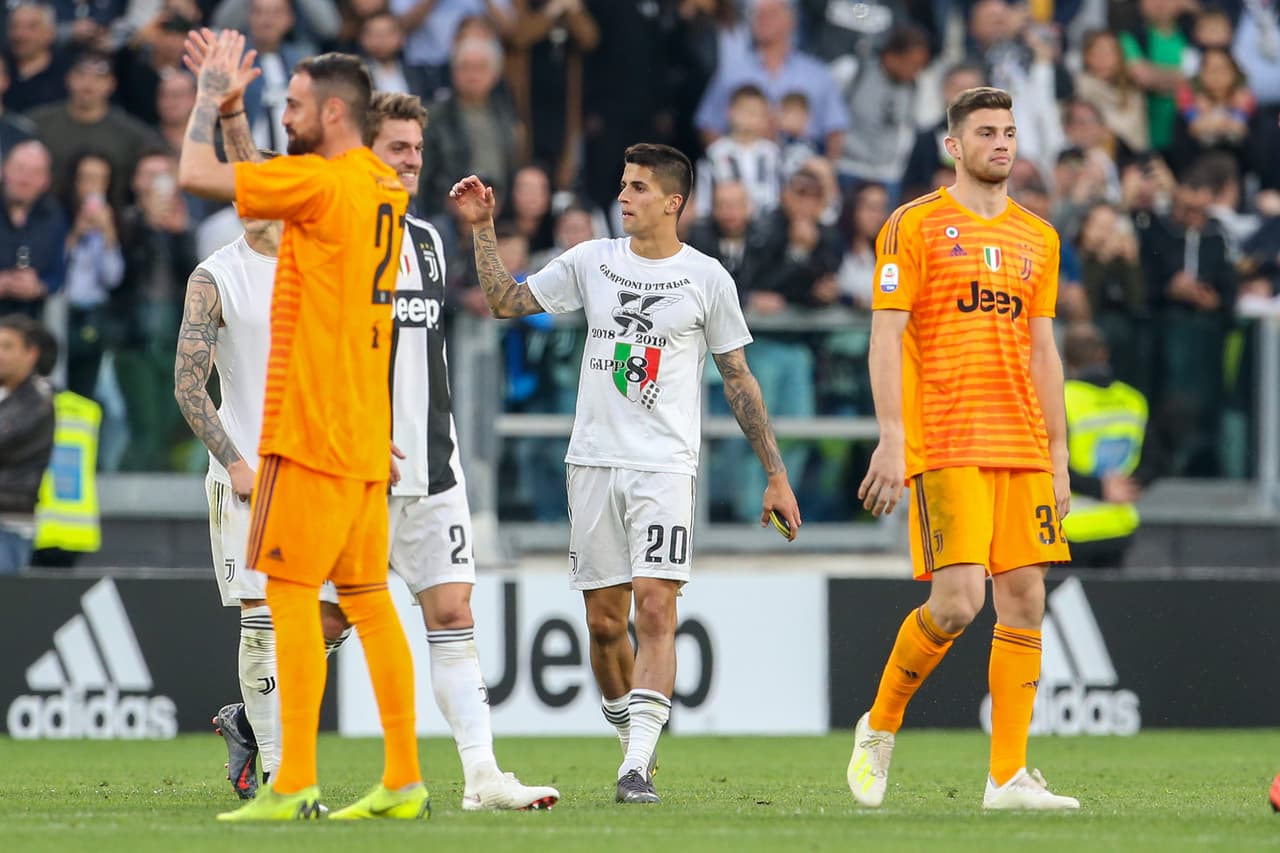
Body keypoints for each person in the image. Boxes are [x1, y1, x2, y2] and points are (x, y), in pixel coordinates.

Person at [450, 142, 802, 804]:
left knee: (657, 604)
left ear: (673, 202)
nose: (623, 196)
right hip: (592, 463)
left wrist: (775, 473)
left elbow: (739, 380)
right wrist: (483, 229)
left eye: (637, 187)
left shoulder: (707, 278)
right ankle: (628, 737)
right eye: (622, 184)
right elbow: (505, 301)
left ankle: (636, 766)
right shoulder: (592, 261)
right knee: (606, 626)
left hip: (665, 466)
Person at [178, 31, 426, 821]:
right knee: (368, 601)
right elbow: (269, 199)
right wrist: (241, 113)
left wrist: (211, 100)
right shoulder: (381, 189)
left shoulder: (319, 186)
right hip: (361, 426)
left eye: (291, 104)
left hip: (310, 430)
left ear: (330, 111)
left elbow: (198, 175)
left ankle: (292, 780)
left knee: (285, 598)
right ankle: (402, 776)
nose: (285, 115)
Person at [849, 86, 1079, 812]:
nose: (1002, 143)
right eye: (986, 132)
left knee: (1026, 598)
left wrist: (1060, 449)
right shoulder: (912, 225)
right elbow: (885, 335)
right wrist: (894, 436)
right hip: (948, 437)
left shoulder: (1039, 236)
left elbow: (1044, 347)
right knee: (955, 604)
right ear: (953, 146)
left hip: (1020, 441)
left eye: (1009, 131)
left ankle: (1007, 777)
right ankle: (880, 724)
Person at [172, 76, 350, 797]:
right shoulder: (215, 277)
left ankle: (249, 719)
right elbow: (188, 384)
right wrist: (235, 463)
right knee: (263, 616)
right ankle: (279, 769)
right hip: (248, 469)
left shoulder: (323, 267)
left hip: (324, 468)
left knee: (336, 615)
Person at [1060, 323, 1162, 568]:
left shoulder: (1061, 399)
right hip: (1119, 526)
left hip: (1071, 529)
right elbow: (1156, 461)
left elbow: (1051, 465)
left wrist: (1099, 488)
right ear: (1103, 353)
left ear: (1066, 358)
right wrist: (1128, 486)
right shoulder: (1132, 399)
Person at [0, 314, 55, 574]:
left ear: (31, 353)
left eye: (8, 346)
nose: (0, 354)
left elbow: (6, 439)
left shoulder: (37, 400)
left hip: (8, 524)